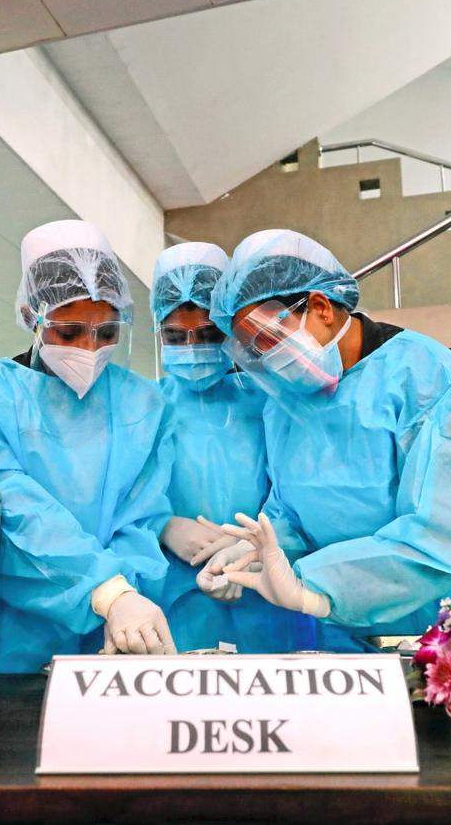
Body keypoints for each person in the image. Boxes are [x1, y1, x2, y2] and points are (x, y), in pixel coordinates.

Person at [201, 229, 451, 650]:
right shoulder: (285, 403)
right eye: (253, 350)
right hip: (350, 626)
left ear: (320, 307)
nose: (267, 359)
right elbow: (293, 512)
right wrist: (260, 551)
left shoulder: (425, 377)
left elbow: (444, 535)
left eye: (269, 339)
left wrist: (309, 584)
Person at [0, 220, 176, 671]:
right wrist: (103, 588)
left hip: (121, 625)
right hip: (15, 632)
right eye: (69, 333)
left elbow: (141, 517)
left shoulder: (144, 402)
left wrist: (127, 594)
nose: (90, 348)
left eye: (106, 333)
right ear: (32, 316)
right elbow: (8, 509)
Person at [151, 242, 314, 652]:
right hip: (174, 596)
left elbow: (302, 496)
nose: (192, 347)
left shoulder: (270, 399)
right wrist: (162, 525)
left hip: (268, 590)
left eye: (208, 334)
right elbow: (116, 499)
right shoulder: (144, 408)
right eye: (175, 335)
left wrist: (256, 545)